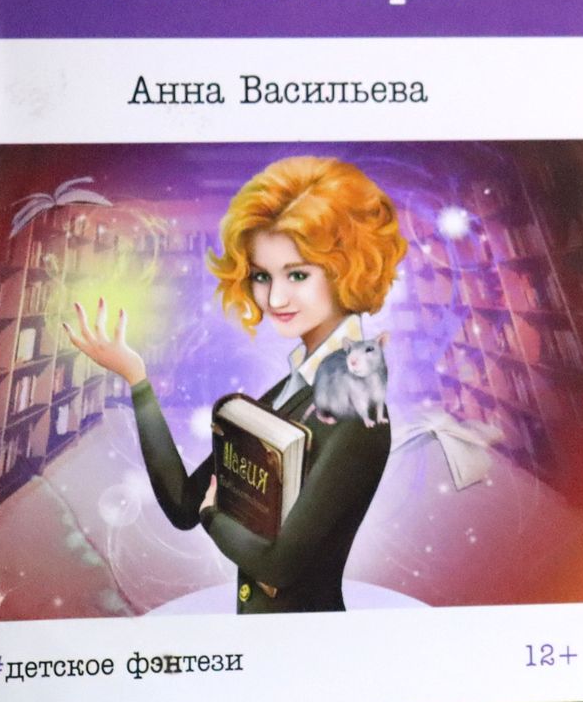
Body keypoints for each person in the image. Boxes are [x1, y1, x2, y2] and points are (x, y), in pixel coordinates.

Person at [65, 155, 408, 613]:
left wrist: (213, 516)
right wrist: (136, 378)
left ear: (348, 269)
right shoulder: (285, 392)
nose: (275, 297)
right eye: (262, 276)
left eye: (298, 274)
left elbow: (278, 566)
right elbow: (184, 505)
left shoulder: (355, 415)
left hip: (308, 638)